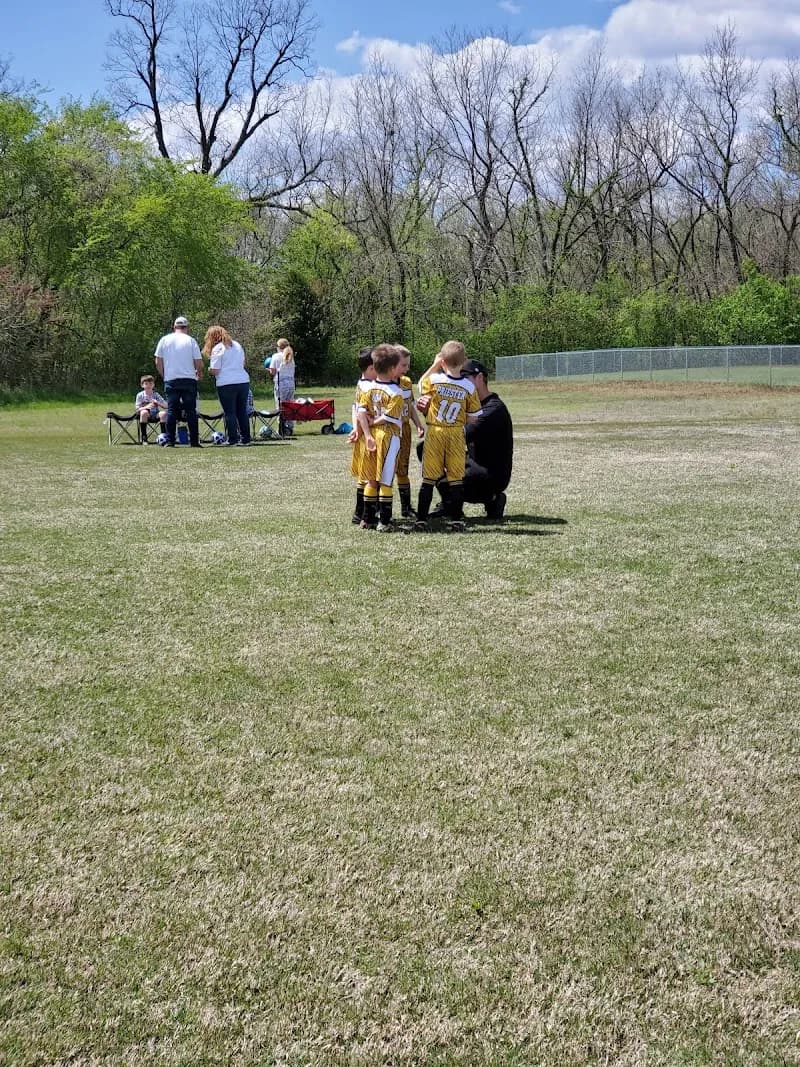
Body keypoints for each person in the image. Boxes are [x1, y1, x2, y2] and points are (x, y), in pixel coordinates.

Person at [428, 359, 513, 519]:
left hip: (490, 474)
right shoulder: (469, 405)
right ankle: (449, 503)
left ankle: (493, 498)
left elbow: (458, 435)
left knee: (448, 480)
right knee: (426, 449)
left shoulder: (492, 409)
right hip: (473, 462)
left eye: (464, 378)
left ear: (479, 378)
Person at [414, 340, 482, 532]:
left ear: (442, 361)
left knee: (429, 478)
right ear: (465, 361)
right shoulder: (469, 387)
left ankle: (421, 519)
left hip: (436, 431)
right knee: (456, 479)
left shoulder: (435, 380)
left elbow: (420, 384)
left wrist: (435, 365)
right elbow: (474, 417)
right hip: (456, 433)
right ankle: (456, 520)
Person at [356, 345, 404, 531]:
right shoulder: (396, 392)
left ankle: (367, 519)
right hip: (388, 436)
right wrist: (375, 422)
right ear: (392, 369)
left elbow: (361, 412)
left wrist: (367, 433)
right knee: (385, 480)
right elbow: (390, 417)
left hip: (371, 436)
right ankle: (384, 521)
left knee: (371, 478)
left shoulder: (368, 387)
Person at [154, 315, 204, 447]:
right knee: (191, 411)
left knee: (172, 410)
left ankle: (170, 441)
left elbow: (158, 361)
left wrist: (164, 375)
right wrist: (199, 374)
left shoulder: (164, 340)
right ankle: (194, 441)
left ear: (174, 327)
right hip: (189, 379)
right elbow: (198, 362)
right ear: (186, 328)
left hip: (171, 379)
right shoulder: (191, 340)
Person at [203, 325, 251, 446]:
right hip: (243, 381)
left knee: (230, 412)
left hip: (226, 383)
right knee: (242, 411)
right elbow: (243, 363)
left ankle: (232, 439)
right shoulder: (237, 345)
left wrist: (209, 369)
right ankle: (245, 438)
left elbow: (215, 370)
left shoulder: (218, 348)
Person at [393, 345, 426, 518]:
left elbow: (411, 406)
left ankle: (406, 508)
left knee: (403, 468)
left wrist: (418, 425)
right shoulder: (382, 382)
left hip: (405, 430)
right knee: (385, 470)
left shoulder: (406, 382)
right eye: (403, 365)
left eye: (408, 365)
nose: (407, 369)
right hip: (390, 430)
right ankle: (379, 508)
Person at [348, 346, 376, 525]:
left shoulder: (361, 383)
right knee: (370, 475)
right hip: (369, 435)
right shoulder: (369, 386)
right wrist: (362, 429)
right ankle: (365, 514)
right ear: (372, 368)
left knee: (363, 475)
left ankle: (359, 513)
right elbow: (360, 411)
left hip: (362, 433)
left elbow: (355, 407)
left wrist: (355, 428)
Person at [268, 337, 296, 435]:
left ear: (279, 347)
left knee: (280, 406)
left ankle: (281, 427)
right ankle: (289, 426)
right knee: (290, 405)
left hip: (281, 383)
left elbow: (272, 371)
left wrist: (268, 369)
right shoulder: (290, 356)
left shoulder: (275, 356)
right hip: (291, 383)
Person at [134, 374, 167, 444]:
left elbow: (166, 406)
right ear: (142, 385)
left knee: (163, 413)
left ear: (153, 385)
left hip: (155, 414)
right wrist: (146, 407)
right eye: (146, 384)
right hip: (145, 415)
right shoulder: (140, 395)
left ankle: (164, 436)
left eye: (150, 384)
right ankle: (144, 438)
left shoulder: (156, 395)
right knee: (144, 412)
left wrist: (158, 403)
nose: (148, 385)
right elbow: (137, 409)